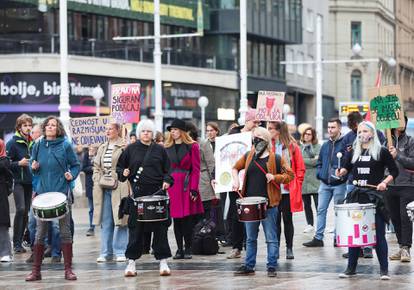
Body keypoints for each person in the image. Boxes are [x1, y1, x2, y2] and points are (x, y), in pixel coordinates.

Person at [336, 121, 398, 280]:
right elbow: (346, 168)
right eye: (359, 132)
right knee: (354, 234)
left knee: (378, 234)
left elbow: (394, 171)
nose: (361, 134)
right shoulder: (353, 151)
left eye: (364, 131)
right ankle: (351, 268)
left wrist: (384, 182)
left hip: (374, 197)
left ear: (372, 133)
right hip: (357, 197)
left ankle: (384, 270)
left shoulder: (381, 151)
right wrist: (341, 171)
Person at [232, 126, 294, 277]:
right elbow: (235, 168)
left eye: (258, 136)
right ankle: (249, 266)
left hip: (269, 203)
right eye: (254, 136)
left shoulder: (276, 158)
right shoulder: (249, 155)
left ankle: (272, 266)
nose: (255, 138)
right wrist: (236, 182)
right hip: (249, 203)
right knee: (251, 238)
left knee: (271, 238)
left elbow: (290, 175)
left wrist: (275, 177)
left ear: (265, 140)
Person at [117, 119, 174, 277]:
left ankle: (163, 261)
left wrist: (167, 181)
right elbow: (119, 167)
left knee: (160, 229)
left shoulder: (160, 150)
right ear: (139, 133)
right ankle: (131, 263)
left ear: (153, 133)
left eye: (149, 131)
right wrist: (123, 173)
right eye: (143, 131)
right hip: (138, 194)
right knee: (135, 229)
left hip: (157, 193)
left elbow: (168, 170)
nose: (146, 133)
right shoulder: (130, 149)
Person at [26, 116, 80, 281]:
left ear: (58, 129)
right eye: (48, 125)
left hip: (61, 194)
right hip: (43, 195)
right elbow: (32, 164)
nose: (50, 127)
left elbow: (76, 165)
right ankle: (36, 272)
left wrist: (72, 175)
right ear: (44, 127)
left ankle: (68, 270)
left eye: (53, 125)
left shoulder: (65, 145)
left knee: (64, 232)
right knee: (39, 233)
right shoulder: (38, 144)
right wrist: (33, 167)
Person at [303, 118, 347, 247]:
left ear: (339, 128)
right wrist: (319, 173)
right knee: (321, 210)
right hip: (324, 184)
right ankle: (318, 238)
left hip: (339, 184)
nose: (330, 130)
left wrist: (342, 175)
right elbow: (320, 162)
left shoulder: (344, 144)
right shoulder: (325, 145)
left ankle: (337, 238)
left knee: (338, 211)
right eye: (328, 127)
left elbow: (348, 163)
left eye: (333, 127)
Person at [165, 119, 204, 259]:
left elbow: (196, 169)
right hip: (173, 185)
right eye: (171, 130)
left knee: (187, 219)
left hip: (187, 184)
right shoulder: (167, 147)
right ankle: (179, 248)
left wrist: (194, 188)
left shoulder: (192, 146)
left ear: (182, 131)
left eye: (175, 129)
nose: (173, 132)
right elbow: (166, 169)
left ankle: (188, 248)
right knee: (176, 219)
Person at [226, 109, 260, 259]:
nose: (257, 125)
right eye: (255, 122)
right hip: (235, 181)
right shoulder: (234, 134)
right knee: (235, 213)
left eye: (259, 122)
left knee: (251, 212)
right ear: (247, 121)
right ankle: (236, 246)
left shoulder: (258, 136)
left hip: (250, 180)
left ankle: (248, 243)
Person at [268, 121, 305, 259]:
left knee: (288, 220)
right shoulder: (268, 146)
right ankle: (275, 249)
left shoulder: (292, 147)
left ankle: (289, 248)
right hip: (273, 189)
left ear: (278, 130)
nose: (268, 130)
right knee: (274, 221)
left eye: (270, 128)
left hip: (288, 190)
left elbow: (300, 168)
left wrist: (297, 183)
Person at [93, 122, 129, 262]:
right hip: (103, 186)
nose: (108, 131)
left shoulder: (124, 146)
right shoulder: (102, 147)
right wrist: (97, 178)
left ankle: (120, 251)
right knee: (106, 220)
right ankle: (105, 252)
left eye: (111, 129)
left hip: (119, 185)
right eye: (106, 129)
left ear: (118, 130)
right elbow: (96, 165)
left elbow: (128, 165)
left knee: (120, 219)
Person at [385, 116, 414, 263]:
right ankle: (401, 246)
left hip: (407, 185)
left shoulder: (410, 141)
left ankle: (406, 248)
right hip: (390, 185)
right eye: (398, 121)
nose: (401, 124)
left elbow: (412, 163)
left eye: (404, 122)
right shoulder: (385, 141)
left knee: (405, 218)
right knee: (394, 218)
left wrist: (398, 155)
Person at [6, 113, 33, 253]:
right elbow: (5, 163)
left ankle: (20, 241)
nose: (28, 128)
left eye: (30, 125)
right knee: (21, 209)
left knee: (26, 212)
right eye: (25, 125)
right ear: (19, 127)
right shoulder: (12, 142)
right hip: (17, 182)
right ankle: (16, 243)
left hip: (30, 182)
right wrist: (18, 163)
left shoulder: (33, 142)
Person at [299, 126, 321, 233]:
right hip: (303, 180)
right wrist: (310, 160)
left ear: (313, 136)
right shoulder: (299, 147)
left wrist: (303, 161)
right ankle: (310, 224)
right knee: (306, 205)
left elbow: (316, 162)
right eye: (305, 134)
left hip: (315, 179)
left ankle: (321, 224)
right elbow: (297, 162)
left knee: (319, 205)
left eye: (309, 134)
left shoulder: (317, 146)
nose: (307, 136)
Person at [199, 122, 220, 219]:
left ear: (216, 131)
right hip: (208, 177)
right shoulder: (203, 144)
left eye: (211, 130)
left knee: (220, 202)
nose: (209, 133)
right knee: (210, 202)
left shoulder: (221, 142)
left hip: (221, 174)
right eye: (207, 131)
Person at [0, 139, 14, 263]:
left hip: (1, 195)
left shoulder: (4, 161)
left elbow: (10, 178)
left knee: (2, 224)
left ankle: (5, 252)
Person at [82, 146, 98, 237]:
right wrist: (92, 168)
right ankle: (91, 227)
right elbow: (83, 168)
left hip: (100, 184)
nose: (92, 149)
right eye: (90, 147)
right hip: (90, 185)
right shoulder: (86, 156)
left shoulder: (100, 153)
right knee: (91, 208)